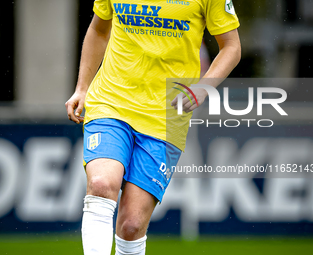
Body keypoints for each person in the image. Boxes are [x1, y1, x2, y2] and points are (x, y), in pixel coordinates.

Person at [65, 0, 241, 254]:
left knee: (132, 225)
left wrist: (203, 88)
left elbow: (232, 47)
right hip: (111, 102)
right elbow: (99, 30)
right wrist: (82, 87)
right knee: (102, 185)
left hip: (166, 116)